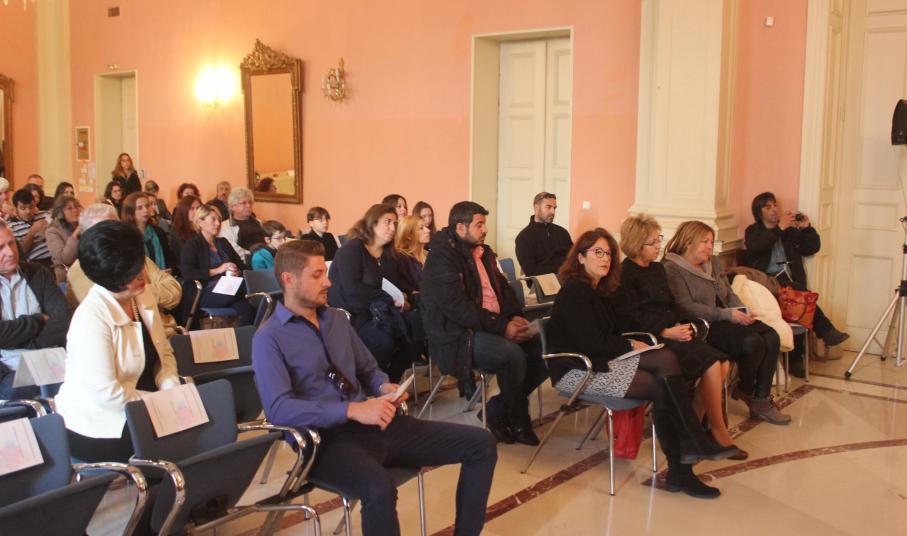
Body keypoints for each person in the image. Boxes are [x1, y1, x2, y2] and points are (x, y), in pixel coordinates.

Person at [252, 239, 497, 536]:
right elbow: (279, 409)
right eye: (317, 275)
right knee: (379, 489)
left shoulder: (336, 320)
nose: (328, 282)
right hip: (324, 441)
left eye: (325, 272)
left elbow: (369, 369)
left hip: (375, 424)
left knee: (481, 444)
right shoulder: (269, 338)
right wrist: (351, 410)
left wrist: (383, 386)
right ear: (288, 279)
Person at [546, 227, 739, 498]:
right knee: (663, 382)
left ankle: (687, 454)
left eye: (609, 254)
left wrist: (631, 343)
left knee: (665, 364)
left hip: (601, 361)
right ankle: (684, 460)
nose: (605, 259)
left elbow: (609, 334)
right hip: (577, 370)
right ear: (580, 257)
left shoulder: (598, 290)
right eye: (597, 252)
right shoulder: (575, 292)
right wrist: (629, 345)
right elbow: (591, 342)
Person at [614, 215, 745, 458]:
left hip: (671, 332)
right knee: (714, 364)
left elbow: (671, 305)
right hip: (651, 339)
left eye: (659, 239)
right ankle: (717, 431)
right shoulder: (625, 274)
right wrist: (665, 331)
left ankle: (692, 426)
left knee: (724, 363)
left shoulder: (656, 269)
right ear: (636, 244)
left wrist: (685, 326)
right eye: (653, 242)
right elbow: (629, 318)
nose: (659, 246)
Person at [420, 201, 548, 445]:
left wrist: (513, 315)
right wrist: (503, 327)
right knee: (511, 355)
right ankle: (518, 421)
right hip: (458, 335)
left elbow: (503, 289)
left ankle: (496, 411)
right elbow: (458, 308)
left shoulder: (483, 252)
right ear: (460, 227)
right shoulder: (441, 257)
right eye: (479, 225)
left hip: (489, 325)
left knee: (544, 349)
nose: (485, 230)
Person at [55, 221, 180, 462]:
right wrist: (162, 404)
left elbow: (163, 353)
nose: (144, 277)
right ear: (111, 280)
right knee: (174, 446)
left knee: (199, 426)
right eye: (133, 275)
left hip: (142, 403)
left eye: (141, 265)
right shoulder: (90, 319)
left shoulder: (141, 295)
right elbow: (107, 395)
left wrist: (171, 388)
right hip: (100, 423)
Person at [664, 221, 791, 425]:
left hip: (729, 316)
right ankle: (747, 390)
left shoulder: (713, 262)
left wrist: (742, 310)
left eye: (711, 241)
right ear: (688, 241)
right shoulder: (672, 268)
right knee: (753, 342)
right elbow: (686, 307)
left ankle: (757, 397)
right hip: (706, 324)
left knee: (772, 337)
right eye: (705, 241)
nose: (709, 246)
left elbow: (728, 293)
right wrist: (728, 315)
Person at [744, 192, 849, 373]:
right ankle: (825, 332)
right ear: (759, 212)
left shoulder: (790, 232)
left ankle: (797, 357)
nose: (774, 209)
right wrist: (779, 228)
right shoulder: (753, 231)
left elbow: (811, 248)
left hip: (790, 283)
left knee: (798, 297)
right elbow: (757, 246)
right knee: (800, 293)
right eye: (768, 207)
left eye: (775, 205)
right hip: (766, 283)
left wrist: (806, 228)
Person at [328, 204, 420, 382]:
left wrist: (406, 295)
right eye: (387, 222)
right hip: (353, 314)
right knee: (383, 341)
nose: (392, 228)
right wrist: (389, 299)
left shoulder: (389, 255)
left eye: (395, 223)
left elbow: (396, 284)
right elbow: (352, 290)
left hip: (380, 311)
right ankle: (373, 384)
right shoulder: (352, 250)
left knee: (417, 333)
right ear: (372, 223)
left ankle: (388, 382)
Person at [67, 204, 182, 337]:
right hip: (128, 338)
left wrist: (141, 291)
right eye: (105, 233)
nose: (115, 238)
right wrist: (143, 292)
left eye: (117, 229)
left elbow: (174, 291)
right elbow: (111, 308)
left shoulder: (134, 256)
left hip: (166, 331)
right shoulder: (81, 270)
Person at [0, 219, 71, 399]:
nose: (10, 252)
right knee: (18, 392)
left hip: (49, 358)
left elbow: (63, 320)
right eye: (1, 248)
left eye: (11, 243)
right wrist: (37, 320)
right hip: (8, 370)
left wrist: (24, 343)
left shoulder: (37, 273)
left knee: (83, 381)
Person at [180, 204, 254, 325]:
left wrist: (237, 271)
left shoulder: (223, 242)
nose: (218, 223)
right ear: (200, 222)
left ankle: (242, 337)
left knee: (249, 309)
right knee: (249, 288)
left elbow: (242, 266)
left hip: (231, 289)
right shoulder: (192, 244)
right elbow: (187, 273)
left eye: (219, 220)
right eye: (213, 220)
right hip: (206, 291)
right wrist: (218, 270)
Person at [514, 192, 573, 277]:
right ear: (536, 207)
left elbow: (573, 259)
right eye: (548, 207)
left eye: (554, 208)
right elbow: (531, 271)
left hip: (566, 278)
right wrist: (560, 269)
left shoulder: (562, 232)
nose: (553, 212)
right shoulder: (524, 237)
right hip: (541, 281)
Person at [122, 192, 174, 272]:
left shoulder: (158, 232)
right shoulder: (125, 236)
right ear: (131, 212)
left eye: (147, 206)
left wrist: (169, 270)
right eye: (140, 208)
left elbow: (168, 258)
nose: (145, 210)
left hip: (162, 276)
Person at [8, 189, 52, 267]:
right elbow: (21, 253)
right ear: (15, 208)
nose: (28, 211)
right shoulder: (11, 226)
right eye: (23, 208)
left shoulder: (44, 215)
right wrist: (33, 230)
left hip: (57, 256)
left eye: (31, 207)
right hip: (38, 263)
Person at [219, 187, 265, 259]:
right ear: (232, 207)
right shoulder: (225, 227)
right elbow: (233, 250)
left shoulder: (259, 222)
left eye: (250, 202)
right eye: (244, 203)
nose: (248, 205)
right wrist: (257, 256)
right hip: (246, 261)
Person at [45, 195, 82, 283]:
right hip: (66, 276)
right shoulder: (52, 231)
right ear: (60, 212)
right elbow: (64, 259)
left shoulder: (83, 225)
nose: (75, 210)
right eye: (69, 208)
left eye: (76, 206)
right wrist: (75, 234)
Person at [393, 214, 430, 293]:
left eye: (426, 227)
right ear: (409, 235)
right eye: (421, 228)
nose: (428, 230)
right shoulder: (401, 258)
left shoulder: (430, 255)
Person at [168, 194, 201, 271]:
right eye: (192, 208)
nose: (196, 211)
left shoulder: (203, 227)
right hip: (186, 270)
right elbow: (182, 256)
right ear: (184, 210)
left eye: (198, 208)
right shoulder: (177, 230)